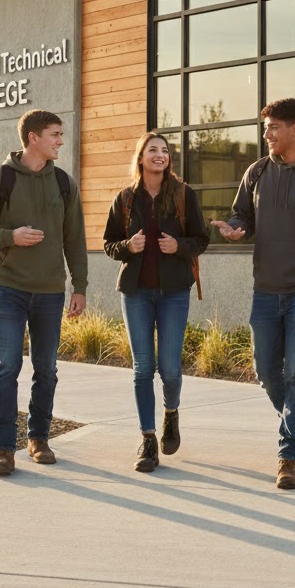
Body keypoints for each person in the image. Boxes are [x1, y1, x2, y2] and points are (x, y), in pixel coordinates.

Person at [211, 97, 295, 490]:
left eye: (273, 127)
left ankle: (289, 457)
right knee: (265, 371)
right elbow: (242, 214)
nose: (267, 134)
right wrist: (236, 228)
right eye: (266, 127)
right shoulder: (257, 172)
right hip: (266, 289)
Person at [0, 109, 87, 477]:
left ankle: (38, 439)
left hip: (50, 290)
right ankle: (3, 449)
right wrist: (10, 237)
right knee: (7, 367)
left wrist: (79, 286)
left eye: (61, 134)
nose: (61, 141)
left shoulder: (64, 183)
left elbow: (74, 239)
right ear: (33, 137)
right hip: (8, 287)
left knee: (46, 369)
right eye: (55, 134)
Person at [103, 132, 209, 473]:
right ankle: (148, 440)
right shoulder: (124, 199)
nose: (160, 155)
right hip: (136, 293)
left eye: (164, 150)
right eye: (153, 150)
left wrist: (179, 247)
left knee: (171, 369)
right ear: (141, 157)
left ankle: (171, 413)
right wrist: (127, 247)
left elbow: (201, 239)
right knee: (142, 369)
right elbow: (109, 243)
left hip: (174, 293)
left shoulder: (183, 195)